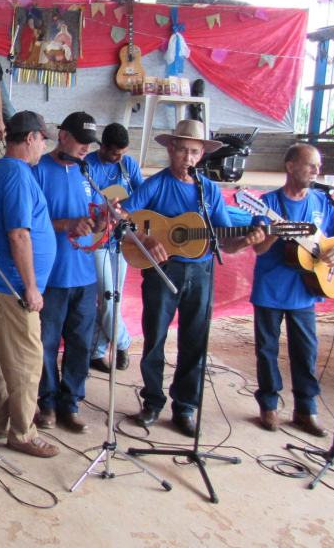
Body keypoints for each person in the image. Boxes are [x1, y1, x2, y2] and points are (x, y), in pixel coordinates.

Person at [124, 119, 264, 438]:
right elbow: (122, 219)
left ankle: (185, 407)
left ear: (201, 155)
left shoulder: (209, 189)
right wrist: (145, 240)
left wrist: (246, 241)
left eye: (194, 152)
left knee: (194, 341)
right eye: (182, 150)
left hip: (201, 272)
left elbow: (224, 239)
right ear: (170, 150)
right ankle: (152, 402)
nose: (188, 157)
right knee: (155, 338)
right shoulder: (156, 184)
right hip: (163, 271)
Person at [249, 144, 334, 437]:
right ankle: (269, 406)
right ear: (291, 167)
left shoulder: (323, 203)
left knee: (306, 352)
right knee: (267, 350)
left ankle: (305, 410)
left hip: (306, 291)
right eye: (310, 165)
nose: (316, 171)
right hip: (270, 288)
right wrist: (273, 231)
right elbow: (257, 247)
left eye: (318, 166)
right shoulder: (266, 203)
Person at [0, 111, 59, 459]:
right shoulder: (16, 175)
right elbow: (19, 234)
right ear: (30, 138)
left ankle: (0, 425)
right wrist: (31, 286)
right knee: (26, 362)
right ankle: (23, 433)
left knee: (0, 360)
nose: (44, 145)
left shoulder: (3, 171)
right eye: (43, 139)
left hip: (0, 285)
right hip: (12, 287)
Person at [29, 112, 103, 434]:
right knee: (46, 342)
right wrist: (68, 225)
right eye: (81, 141)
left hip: (85, 276)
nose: (86, 148)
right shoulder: (38, 171)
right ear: (63, 136)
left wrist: (104, 221)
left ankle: (70, 404)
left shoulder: (89, 172)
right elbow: (28, 222)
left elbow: (98, 218)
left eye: (90, 144)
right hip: (51, 277)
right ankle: (46, 403)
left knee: (80, 343)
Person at [84, 122, 142, 373]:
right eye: (115, 153)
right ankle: (122, 342)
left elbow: (142, 196)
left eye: (124, 152)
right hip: (97, 240)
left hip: (122, 239)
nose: (120, 158)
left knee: (112, 299)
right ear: (103, 147)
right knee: (108, 298)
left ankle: (96, 352)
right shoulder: (87, 165)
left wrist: (127, 211)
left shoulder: (128, 165)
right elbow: (84, 203)